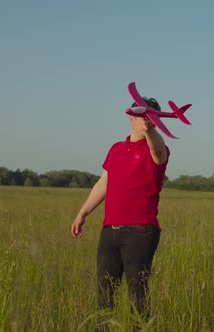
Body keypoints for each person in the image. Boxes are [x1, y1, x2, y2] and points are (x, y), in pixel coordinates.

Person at [70, 97, 168, 324]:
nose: (145, 119)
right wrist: (82, 213)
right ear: (130, 116)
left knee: (138, 294)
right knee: (104, 294)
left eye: (151, 116)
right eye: (142, 115)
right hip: (109, 231)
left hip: (140, 232)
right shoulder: (116, 149)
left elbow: (158, 149)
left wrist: (150, 129)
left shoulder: (157, 148)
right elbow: (103, 184)